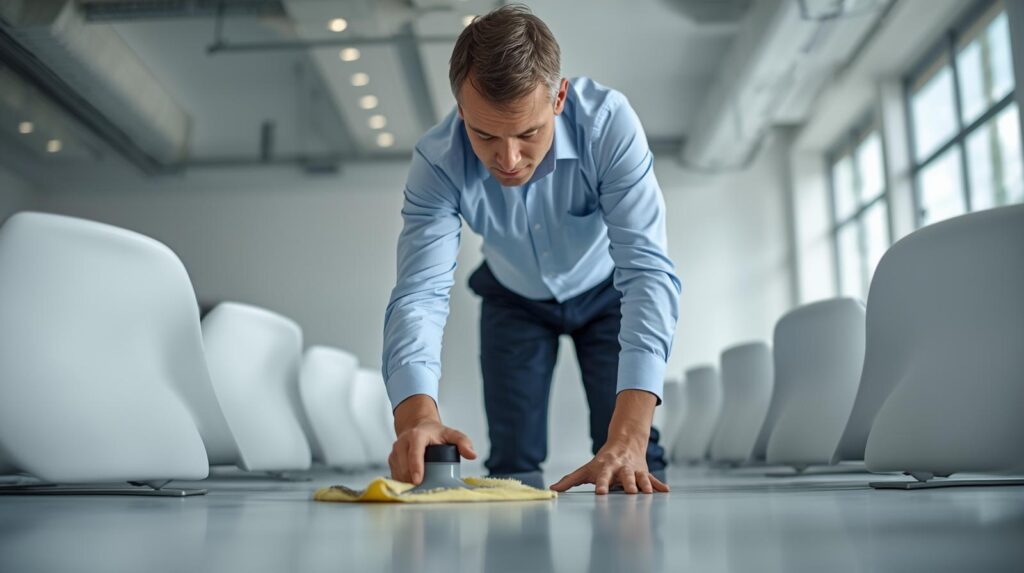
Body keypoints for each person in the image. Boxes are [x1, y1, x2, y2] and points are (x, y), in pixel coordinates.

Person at [381, 4, 680, 495]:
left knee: (633, 456)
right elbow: (419, 294)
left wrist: (629, 433)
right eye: (485, 135)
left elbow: (647, 271)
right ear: (461, 109)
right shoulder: (437, 161)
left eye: (528, 132)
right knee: (513, 462)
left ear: (558, 97)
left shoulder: (608, 124)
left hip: (608, 294)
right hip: (513, 298)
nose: (509, 159)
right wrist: (415, 415)